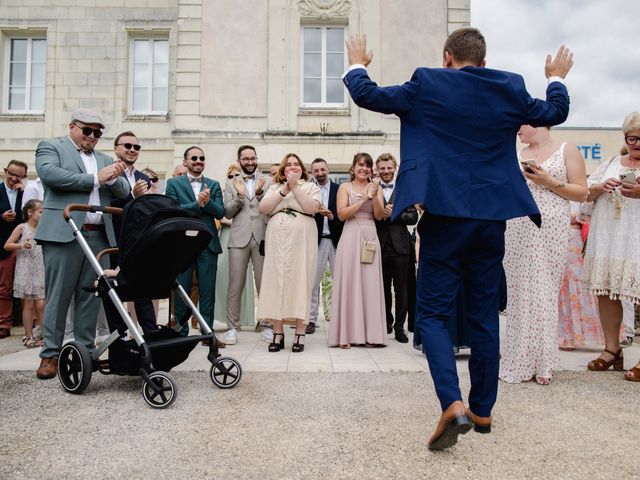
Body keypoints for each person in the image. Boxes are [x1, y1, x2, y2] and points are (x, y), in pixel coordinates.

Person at [343, 29, 572, 449]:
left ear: (447, 57)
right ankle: (482, 410)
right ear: (483, 63)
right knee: (484, 313)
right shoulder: (510, 87)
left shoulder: (428, 82)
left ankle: (451, 403)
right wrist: (555, 76)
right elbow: (555, 111)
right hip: (491, 218)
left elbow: (368, 95)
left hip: (445, 215)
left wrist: (357, 62)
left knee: (432, 314)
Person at [34, 108, 130, 379]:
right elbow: (50, 175)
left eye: (97, 133)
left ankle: (85, 353)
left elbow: (123, 191)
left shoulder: (104, 158)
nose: (92, 136)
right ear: (72, 127)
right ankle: (50, 354)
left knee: (91, 296)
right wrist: (94, 179)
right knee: (58, 295)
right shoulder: (51, 147)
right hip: (65, 231)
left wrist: (115, 175)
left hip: (99, 235)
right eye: (87, 130)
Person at [500, 126, 588, 385]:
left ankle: (544, 362)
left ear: (536, 123)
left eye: (520, 124)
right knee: (518, 293)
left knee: (544, 291)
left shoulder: (566, 150)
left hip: (551, 226)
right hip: (516, 225)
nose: (517, 130)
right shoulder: (517, 154)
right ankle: (517, 359)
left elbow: (582, 192)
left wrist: (548, 181)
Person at [583, 112, 640, 382]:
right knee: (606, 291)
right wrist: (600, 186)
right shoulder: (610, 162)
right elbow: (584, 193)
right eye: (633, 138)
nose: (638, 143)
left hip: (636, 237)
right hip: (609, 235)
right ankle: (612, 350)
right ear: (625, 138)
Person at [257, 153, 321, 352]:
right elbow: (264, 208)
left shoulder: (311, 187)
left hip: (302, 237)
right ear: (283, 169)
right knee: (276, 282)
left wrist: (295, 187)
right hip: (277, 239)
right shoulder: (275, 187)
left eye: (296, 165)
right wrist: (285, 188)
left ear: (302, 169)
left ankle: (300, 333)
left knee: (300, 280)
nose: (292, 168)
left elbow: (311, 208)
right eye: (288, 165)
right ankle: (278, 332)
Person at [328, 152, 386, 348]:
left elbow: (379, 216)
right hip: (351, 234)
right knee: (350, 282)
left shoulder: (375, 187)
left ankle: (372, 336)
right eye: (360, 165)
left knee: (370, 285)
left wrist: (375, 194)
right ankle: (347, 335)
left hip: (370, 235)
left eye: (368, 166)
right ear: (353, 168)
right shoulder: (345, 187)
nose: (364, 168)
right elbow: (342, 214)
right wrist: (363, 200)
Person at [165, 146, 224, 336]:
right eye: (194, 158)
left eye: (201, 158)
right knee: (182, 289)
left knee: (208, 291)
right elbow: (173, 210)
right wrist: (198, 203)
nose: (198, 161)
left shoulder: (213, 185)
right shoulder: (173, 184)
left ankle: (207, 332)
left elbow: (220, 212)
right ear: (185, 162)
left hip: (208, 243)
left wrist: (207, 202)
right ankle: (181, 332)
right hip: (183, 243)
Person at [222, 145, 272, 345]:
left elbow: (271, 207)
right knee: (235, 284)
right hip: (239, 237)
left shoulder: (268, 181)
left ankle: (266, 324)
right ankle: (232, 327)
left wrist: (259, 194)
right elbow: (227, 212)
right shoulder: (230, 182)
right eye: (246, 159)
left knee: (264, 283)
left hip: (262, 236)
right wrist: (241, 197)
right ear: (239, 160)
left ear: (256, 158)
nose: (250, 162)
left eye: (253, 158)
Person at [109, 131, 158, 335]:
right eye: (127, 145)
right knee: (114, 289)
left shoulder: (143, 177)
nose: (132, 150)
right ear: (116, 148)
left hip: (137, 241)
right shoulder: (109, 172)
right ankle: (118, 338)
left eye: (136, 147)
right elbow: (107, 204)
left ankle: (151, 335)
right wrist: (132, 196)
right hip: (112, 238)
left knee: (143, 288)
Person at [375, 153, 418, 343]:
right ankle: (386, 323)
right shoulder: (372, 188)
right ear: (377, 169)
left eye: (389, 168)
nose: (386, 171)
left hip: (401, 246)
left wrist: (395, 214)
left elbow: (413, 217)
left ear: (394, 168)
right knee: (382, 288)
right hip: (379, 245)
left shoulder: (405, 189)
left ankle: (400, 327)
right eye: (382, 168)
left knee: (402, 289)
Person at [557, 202, 606, 350]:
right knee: (562, 288)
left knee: (576, 285)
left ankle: (574, 335)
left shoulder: (581, 190)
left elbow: (586, 213)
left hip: (576, 240)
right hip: (559, 237)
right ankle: (564, 335)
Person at [214, 163, 256, 328]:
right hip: (225, 236)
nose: (233, 179)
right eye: (230, 176)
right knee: (223, 276)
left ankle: (244, 318)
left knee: (243, 280)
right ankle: (223, 318)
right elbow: (222, 215)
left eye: (236, 175)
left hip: (246, 236)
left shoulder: (250, 192)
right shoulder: (225, 193)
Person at [306, 158, 343, 335]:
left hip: (336, 239)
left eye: (322, 169)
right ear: (312, 172)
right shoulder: (309, 190)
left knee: (340, 281)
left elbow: (344, 214)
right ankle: (311, 320)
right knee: (313, 282)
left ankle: (340, 319)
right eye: (316, 171)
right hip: (316, 240)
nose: (320, 173)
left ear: (328, 170)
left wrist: (332, 215)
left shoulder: (339, 189)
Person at [4, 199, 45, 348]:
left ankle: (44, 335)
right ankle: (29, 336)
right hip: (26, 268)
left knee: (41, 304)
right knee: (28, 303)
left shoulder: (44, 228)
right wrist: (21, 245)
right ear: (30, 212)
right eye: (41, 212)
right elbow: (7, 245)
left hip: (41, 268)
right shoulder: (22, 227)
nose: (43, 214)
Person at [0, 160, 27, 339]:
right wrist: (1, 217)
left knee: (28, 287)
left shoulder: (26, 192)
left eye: (18, 175)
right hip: (3, 246)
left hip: (25, 246)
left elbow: (35, 212)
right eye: (11, 173)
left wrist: (25, 192)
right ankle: (4, 324)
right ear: (5, 171)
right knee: (4, 287)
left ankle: (32, 325)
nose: (14, 178)